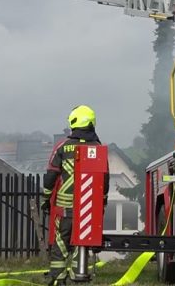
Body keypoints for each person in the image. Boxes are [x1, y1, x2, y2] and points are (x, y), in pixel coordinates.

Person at [42, 105, 109, 285]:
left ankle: (58, 279)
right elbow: (105, 180)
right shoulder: (99, 149)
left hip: (65, 208)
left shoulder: (62, 147)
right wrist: (102, 202)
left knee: (61, 242)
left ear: (73, 122)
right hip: (89, 208)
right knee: (83, 241)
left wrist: (45, 199)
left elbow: (50, 176)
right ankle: (78, 275)